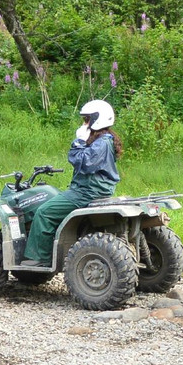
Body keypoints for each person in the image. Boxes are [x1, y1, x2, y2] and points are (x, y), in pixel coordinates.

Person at [21, 99, 122, 266]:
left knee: (44, 212)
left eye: (87, 119)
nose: (84, 124)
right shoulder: (105, 140)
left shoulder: (101, 142)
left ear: (98, 119)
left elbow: (85, 163)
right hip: (94, 189)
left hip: (86, 192)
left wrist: (78, 142)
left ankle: (40, 259)